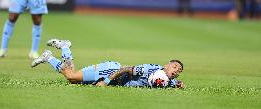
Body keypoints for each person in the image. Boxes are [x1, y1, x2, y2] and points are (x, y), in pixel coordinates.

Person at [31, 39, 184, 88]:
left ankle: (48, 57)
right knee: (72, 76)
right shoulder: (149, 70)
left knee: (73, 80)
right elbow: (126, 69)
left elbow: (174, 82)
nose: (177, 70)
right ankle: (64, 47)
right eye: (175, 66)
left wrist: (179, 84)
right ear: (166, 65)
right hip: (111, 70)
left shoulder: (169, 80)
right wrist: (106, 81)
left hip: (115, 80)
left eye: (179, 70)